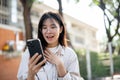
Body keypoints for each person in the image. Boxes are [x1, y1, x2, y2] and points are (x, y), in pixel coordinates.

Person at [17, 11, 84, 80]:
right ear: (41, 30)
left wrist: (60, 66)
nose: (48, 31)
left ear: (60, 29)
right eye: (44, 28)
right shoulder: (29, 53)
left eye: (53, 27)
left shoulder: (70, 54)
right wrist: (31, 75)